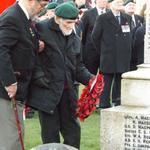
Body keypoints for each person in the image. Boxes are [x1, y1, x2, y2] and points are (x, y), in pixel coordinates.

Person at [27, 2, 93, 149]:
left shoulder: (74, 37)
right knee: (50, 135)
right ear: (57, 18)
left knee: (73, 133)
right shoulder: (41, 29)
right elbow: (30, 56)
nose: (71, 26)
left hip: (68, 93)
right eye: (68, 22)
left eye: (74, 22)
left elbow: (78, 66)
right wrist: (39, 77)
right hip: (47, 92)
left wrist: (91, 79)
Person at [0, 0, 48, 149]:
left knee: (15, 135)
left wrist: (36, 45)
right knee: (12, 139)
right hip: (7, 91)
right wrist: (10, 82)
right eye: (42, 4)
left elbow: (20, 43)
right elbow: (1, 49)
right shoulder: (13, 17)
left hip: (19, 89)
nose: (43, 8)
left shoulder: (23, 17)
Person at [92, 0, 132, 108]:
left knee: (120, 80)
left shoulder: (126, 18)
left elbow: (129, 36)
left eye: (121, 2)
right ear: (110, 4)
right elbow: (95, 37)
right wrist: (103, 51)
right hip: (108, 55)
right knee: (107, 81)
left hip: (123, 56)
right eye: (117, 1)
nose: (120, 3)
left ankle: (118, 102)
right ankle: (104, 104)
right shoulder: (103, 18)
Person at [81, 0, 108, 75]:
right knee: (90, 76)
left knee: (104, 77)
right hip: (91, 51)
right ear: (96, 1)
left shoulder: (110, 13)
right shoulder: (88, 13)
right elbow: (83, 32)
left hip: (106, 51)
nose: (103, 1)